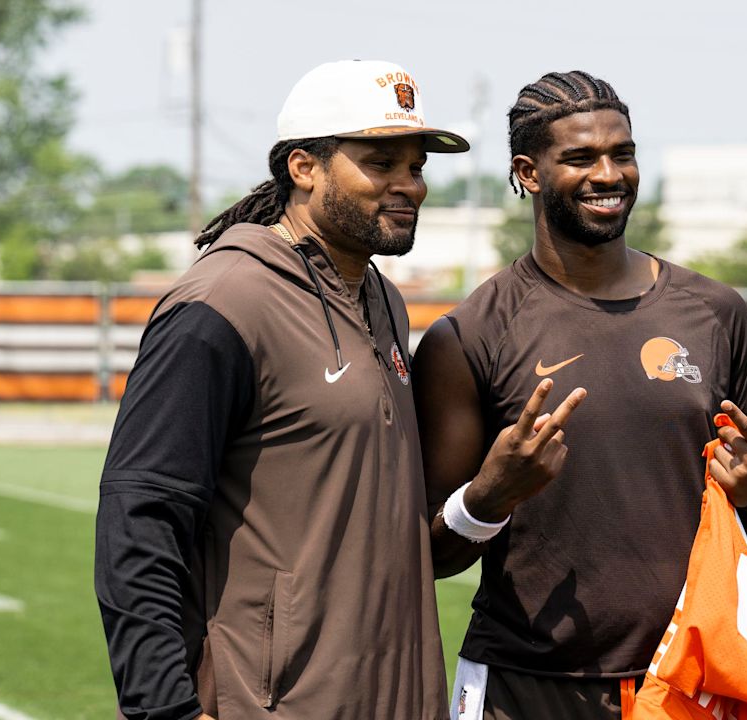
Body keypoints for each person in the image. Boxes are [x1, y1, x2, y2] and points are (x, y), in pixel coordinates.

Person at [93, 59, 473, 720]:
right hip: (272, 703)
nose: (408, 186)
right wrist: (164, 710)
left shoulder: (383, 299)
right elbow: (140, 520)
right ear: (304, 168)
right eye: (380, 164)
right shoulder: (222, 302)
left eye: (416, 167)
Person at [412, 70, 747, 720]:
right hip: (522, 686)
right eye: (581, 158)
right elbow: (425, 553)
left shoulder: (714, 312)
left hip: (684, 680)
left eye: (623, 154)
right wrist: (490, 497)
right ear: (528, 173)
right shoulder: (469, 335)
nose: (609, 174)